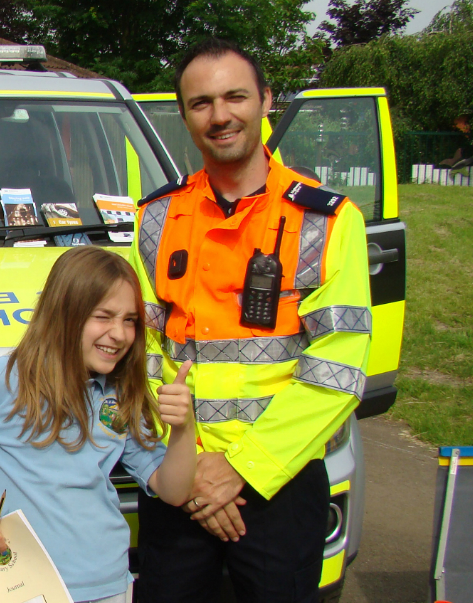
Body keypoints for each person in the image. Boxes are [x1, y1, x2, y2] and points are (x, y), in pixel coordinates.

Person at [129, 38, 372, 603]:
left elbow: (337, 368)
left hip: (279, 479)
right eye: (201, 103)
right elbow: (135, 353)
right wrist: (193, 472)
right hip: (180, 474)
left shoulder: (329, 221)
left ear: (266, 100)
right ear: (184, 114)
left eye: (235, 97)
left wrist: (238, 471)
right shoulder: (155, 218)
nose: (220, 116)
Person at [0, 246, 198, 603]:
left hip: (108, 585)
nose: (120, 334)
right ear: (64, 313)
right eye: (104, 316)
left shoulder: (121, 391)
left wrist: (184, 428)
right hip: (12, 586)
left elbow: (173, 491)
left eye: (129, 320)